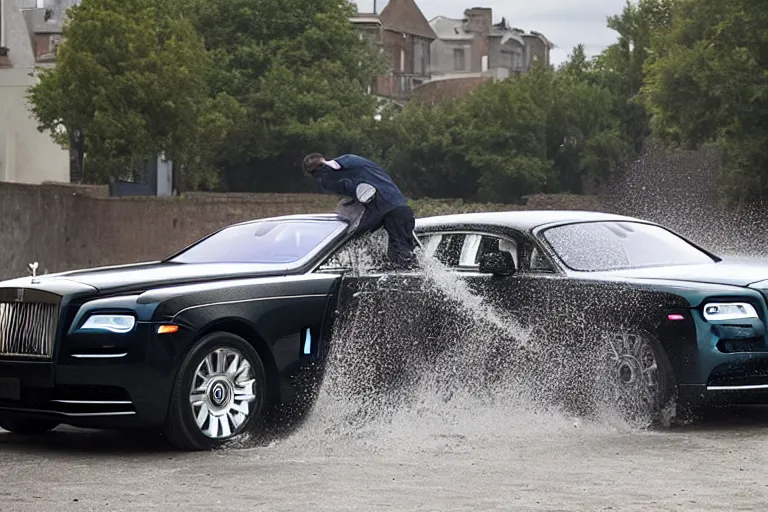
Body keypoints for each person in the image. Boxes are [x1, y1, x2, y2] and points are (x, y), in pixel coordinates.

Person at [303, 152, 418, 269]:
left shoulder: (330, 177)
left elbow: (360, 191)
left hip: (389, 208)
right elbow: (360, 191)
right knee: (396, 256)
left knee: (400, 257)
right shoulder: (350, 159)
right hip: (394, 207)